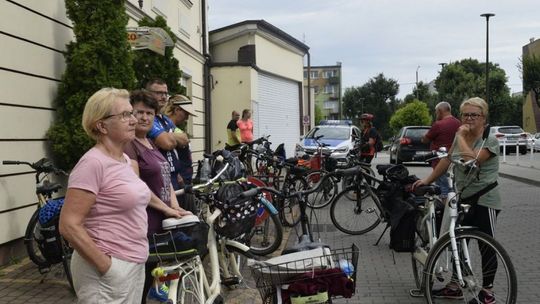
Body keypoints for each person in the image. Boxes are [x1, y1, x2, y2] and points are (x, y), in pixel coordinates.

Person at [58, 88, 169, 303]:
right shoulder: (92, 164)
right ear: (101, 125)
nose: (133, 120)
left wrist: (170, 209)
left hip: (134, 263)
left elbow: (140, 196)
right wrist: (107, 267)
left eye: (131, 113)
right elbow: (69, 225)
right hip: (107, 270)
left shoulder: (125, 161)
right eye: (125, 115)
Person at [412, 97, 501, 304]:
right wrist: (426, 180)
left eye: (474, 115)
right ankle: (454, 286)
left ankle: (487, 293)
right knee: (457, 242)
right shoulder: (460, 137)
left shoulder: (490, 139)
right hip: (464, 198)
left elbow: (471, 161)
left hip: (486, 199)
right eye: (466, 114)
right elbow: (447, 159)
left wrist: (461, 135)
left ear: (483, 117)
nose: (469, 118)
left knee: (487, 245)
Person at [124, 90, 191, 303]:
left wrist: (174, 206)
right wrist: (166, 209)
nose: (144, 117)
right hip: (144, 224)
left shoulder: (151, 143)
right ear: (130, 114)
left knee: (154, 278)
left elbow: (165, 179)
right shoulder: (129, 145)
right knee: (140, 284)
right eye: (139, 112)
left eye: (150, 113)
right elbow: (137, 186)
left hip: (160, 223)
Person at [145, 79, 188, 194]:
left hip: (173, 177)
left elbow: (184, 139)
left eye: (165, 93)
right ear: (148, 94)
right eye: (159, 93)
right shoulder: (148, 119)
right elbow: (167, 143)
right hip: (158, 178)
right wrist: (171, 138)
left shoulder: (165, 119)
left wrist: (168, 136)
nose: (163, 97)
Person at [421, 101, 461, 202]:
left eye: (436, 112)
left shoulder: (438, 124)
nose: (436, 114)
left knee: (443, 191)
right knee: (451, 188)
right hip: (455, 161)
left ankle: (445, 214)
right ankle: (453, 210)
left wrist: (423, 137)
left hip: (440, 163)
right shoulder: (458, 123)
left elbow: (425, 139)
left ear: (439, 111)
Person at [162, 94, 197, 185]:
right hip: (177, 180)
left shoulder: (174, 128)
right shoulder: (164, 128)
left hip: (185, 178)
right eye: (186, 113)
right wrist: (177, 174)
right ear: (177, 110)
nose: (187, 118)